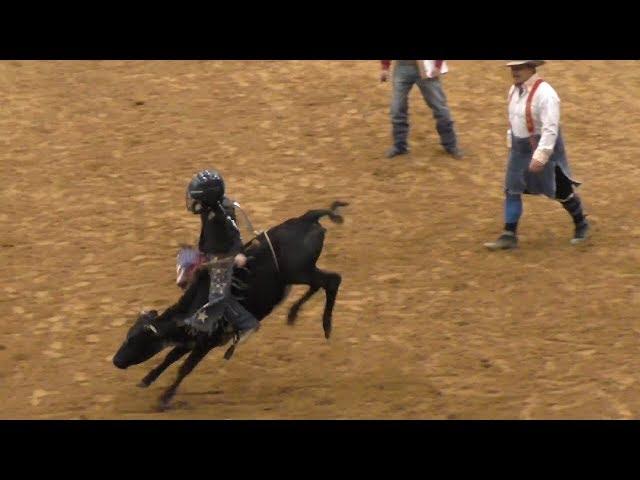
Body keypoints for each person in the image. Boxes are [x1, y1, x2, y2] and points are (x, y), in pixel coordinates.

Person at [484, 61, 590, 251]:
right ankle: (509, 234)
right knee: (512, 189)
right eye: (512, 68)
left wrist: (541, 156)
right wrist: (511, 141)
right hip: (519, 149)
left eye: (519, 68)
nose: (514, 72)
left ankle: (581, 223)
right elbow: (514, 119)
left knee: (561, 190)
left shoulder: (546, 94)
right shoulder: (513, 91)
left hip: (541, 147)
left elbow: (551, 129)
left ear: (531, 68)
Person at [182, 169, 260, 357]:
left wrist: (239, 253)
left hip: (223, 257)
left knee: (218, 296)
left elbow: (234, 234)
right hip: (210, 252)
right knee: (184, 259)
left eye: (196, 198)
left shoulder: (221, 212)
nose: (193, 202)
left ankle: (245, 324)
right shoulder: (208, 208)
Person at [380, 60, 463, 159]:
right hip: (402, 68)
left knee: (440, 108)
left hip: (426, 67)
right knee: (397, 108)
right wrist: (385, 67)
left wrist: (437, 66)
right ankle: (400, 146)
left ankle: (451, 145)